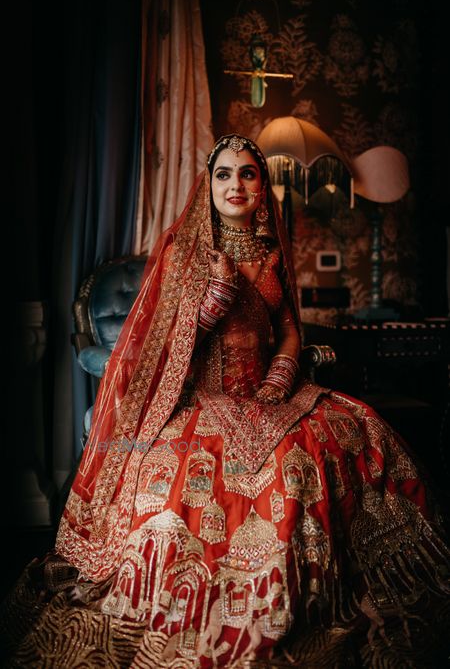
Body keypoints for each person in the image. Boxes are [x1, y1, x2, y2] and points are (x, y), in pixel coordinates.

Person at [1, 134, 449, 668]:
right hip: (202, 398)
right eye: (223, 174)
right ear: (208, 185)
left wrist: (280, 381)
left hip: (271, 393)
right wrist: (214, 296)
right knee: (265, 468)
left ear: (262, 186)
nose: (235, 185)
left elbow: (287, 331)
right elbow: (167, 348)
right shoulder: (186, 252)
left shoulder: (272, 250)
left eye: (248, 174)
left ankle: (336, 586)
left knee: (362, 426)